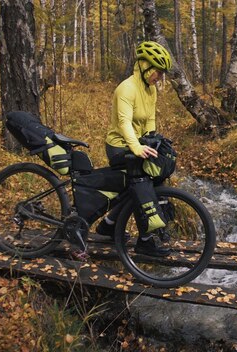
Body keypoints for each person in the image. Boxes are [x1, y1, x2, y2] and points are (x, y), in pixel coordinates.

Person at [95, 41, 173, 257]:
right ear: (144, 65)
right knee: (141, 185)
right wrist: (137, 148)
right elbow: (124, 123)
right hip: (119, 145)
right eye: (157, 71)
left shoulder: (151, 90)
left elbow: (150, 118)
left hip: (138, 143)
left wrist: (153, 141)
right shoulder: (126, 88)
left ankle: (108, 225)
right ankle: (145, 241)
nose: (159, 77)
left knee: (134, 186)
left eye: (161, 73)